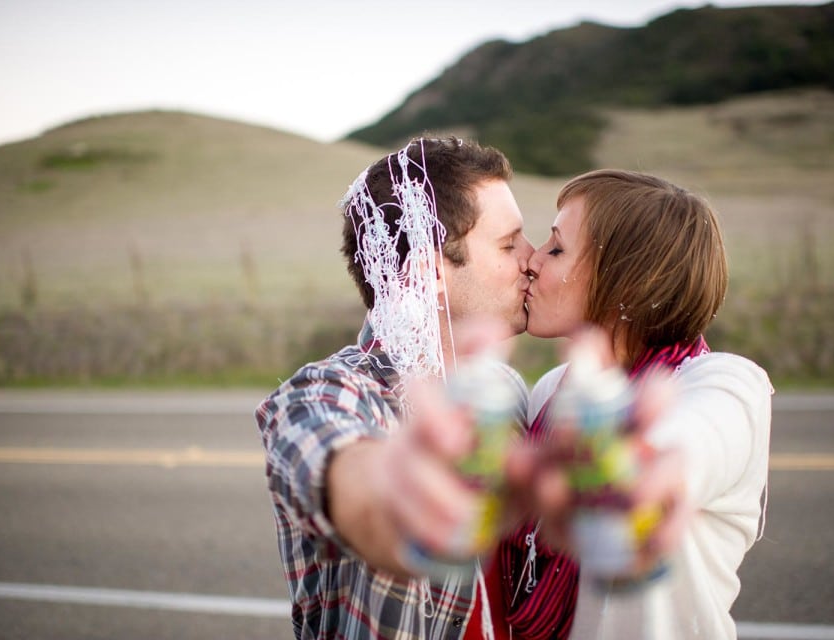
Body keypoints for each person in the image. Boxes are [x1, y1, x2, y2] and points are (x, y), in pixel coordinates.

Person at [255, 141, 686, 640]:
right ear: (432, 270)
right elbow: (353, 480)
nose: (532, 261)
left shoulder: (506, 393)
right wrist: (408, 502)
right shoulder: (322, 393)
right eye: (509, 244)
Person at [479, 169, 773, 639]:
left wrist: (639, 470)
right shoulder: (552, 389)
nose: (531, 260)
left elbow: (691, 445)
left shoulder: (723, 383)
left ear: (625, 281)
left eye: (556, 248)